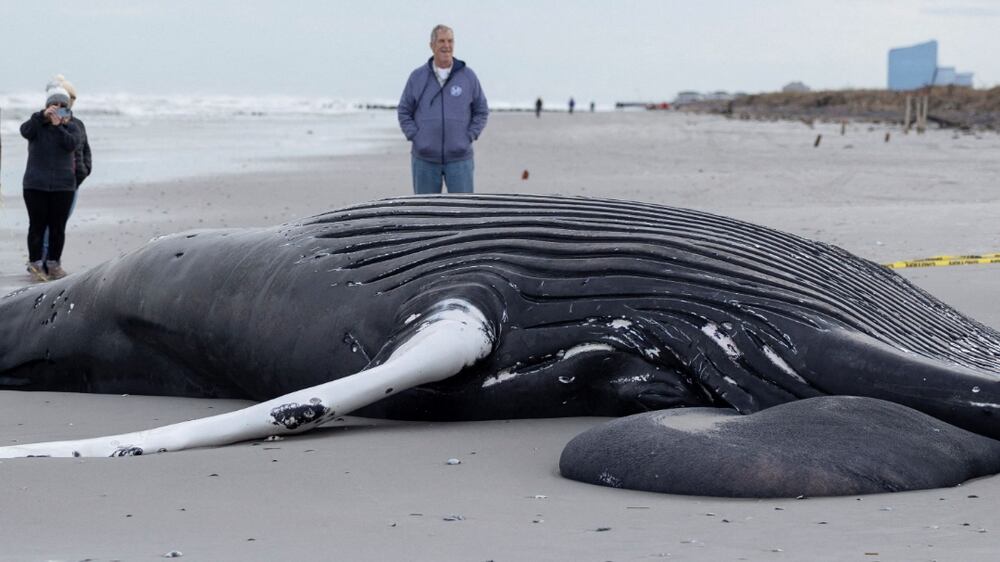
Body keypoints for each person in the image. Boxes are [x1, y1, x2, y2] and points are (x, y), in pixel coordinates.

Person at [398, 24, 489, 194]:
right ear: (432, 45)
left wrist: (469, 135)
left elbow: (481, 110)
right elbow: (404, 110)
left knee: (463, 212)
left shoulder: (468, 76)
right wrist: (416, 136)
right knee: (425, 213)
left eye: (450, 41)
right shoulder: (417, 77)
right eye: (441, 41)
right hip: (424, 159)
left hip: (460, 158)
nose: (446, 46)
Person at [20, 86, 81, 281]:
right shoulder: (36, 124)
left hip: (63, 186)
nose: (58, 108)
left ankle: (54, 264)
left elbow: (72, 144)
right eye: (54, 105)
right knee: (36, 226)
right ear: (47, 106)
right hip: (35, 184)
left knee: (57, 227)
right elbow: (24, 131)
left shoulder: (72, 126)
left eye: (63, 105)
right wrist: (42, 116)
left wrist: (59, 126)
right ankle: (36, 264)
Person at [41, 75, 91, 265]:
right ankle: (42, 261)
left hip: (72, 183)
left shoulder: (77, 124)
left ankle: (52, 260)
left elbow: (85, 152)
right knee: (45, 225)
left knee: (59, 224)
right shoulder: (43, 123)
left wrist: (83, 173)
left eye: (71, 98)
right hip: (50, 183)